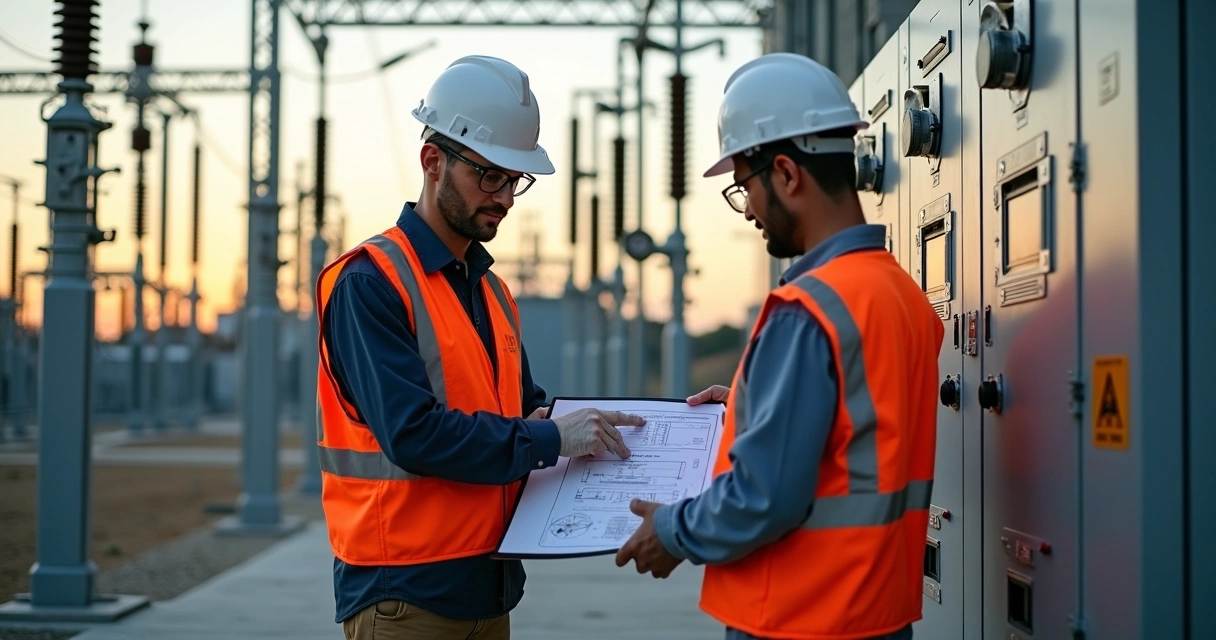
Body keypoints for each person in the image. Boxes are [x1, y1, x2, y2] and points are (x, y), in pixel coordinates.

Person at [615, 52, 945, 640]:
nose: (750, 212)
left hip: (799, 618)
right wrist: (749, 400)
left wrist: (671, 531)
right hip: (876, 616)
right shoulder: (899, 294)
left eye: (745, 187)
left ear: (788, 174)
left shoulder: (807, 311)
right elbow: (853, 437)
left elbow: (764, 497)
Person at [314, 54, 645, 640]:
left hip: (487, 589)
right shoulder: (370, 283)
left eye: (514, 179)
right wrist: (550, 436)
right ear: (432, 161)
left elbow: (524, 412)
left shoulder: (490, 291)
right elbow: (413, 433)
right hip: (405, 599)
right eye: (488, 175)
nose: (505, 197)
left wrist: (620, 429)